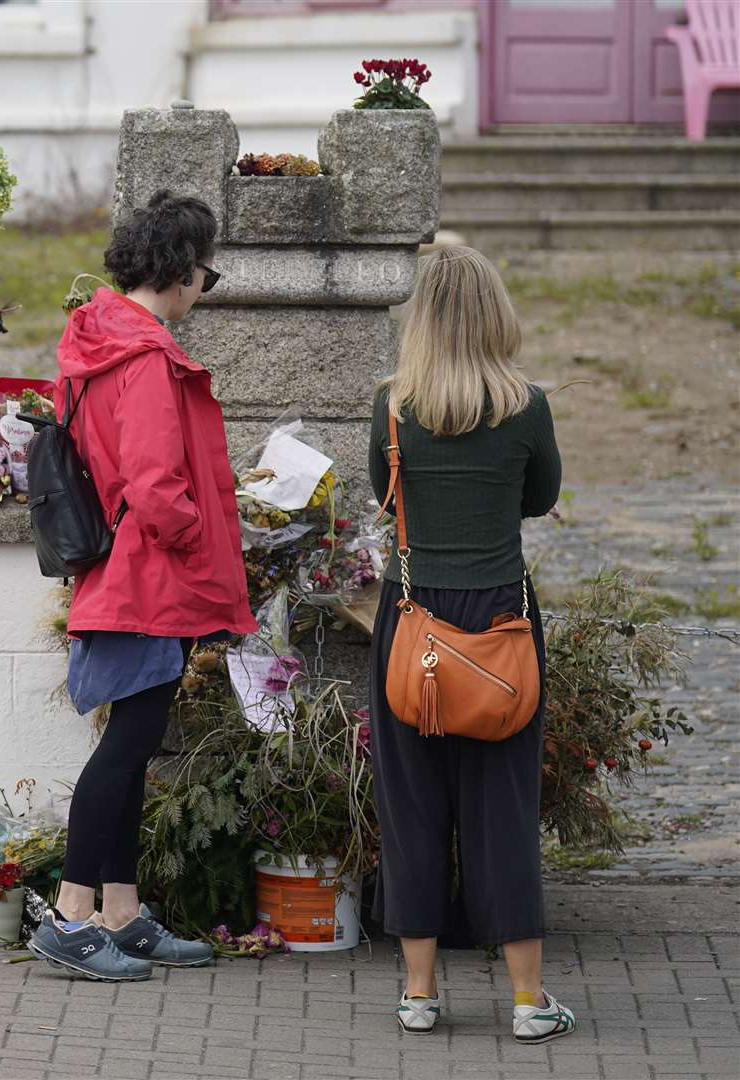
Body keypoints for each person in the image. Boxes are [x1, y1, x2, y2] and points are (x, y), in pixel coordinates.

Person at [26, 191, 257, 982]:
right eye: (207, 275)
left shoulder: (96, 344)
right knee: (126, 749)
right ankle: (69, 915)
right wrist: (199, 538)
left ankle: (119, 913)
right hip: (150, 576)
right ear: (183, 270)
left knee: (132, 742)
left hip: (121, 571)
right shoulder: (149, 357)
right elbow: (159, 487)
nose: (204, 290)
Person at [368, 246, 569, 1043]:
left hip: (411, 616)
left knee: (411, 806)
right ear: (493, 314)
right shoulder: (527, 406)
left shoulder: (391, 405)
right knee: (504, 810)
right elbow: (541, 496)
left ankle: (419, 995)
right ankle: (527, 1003)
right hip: (501, 623)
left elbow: (388, 501)